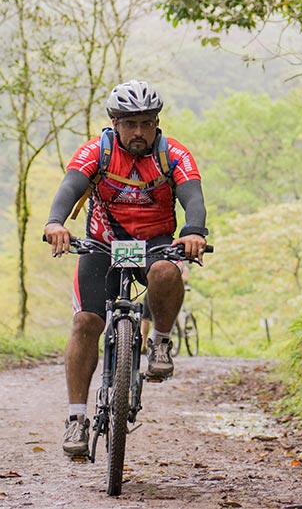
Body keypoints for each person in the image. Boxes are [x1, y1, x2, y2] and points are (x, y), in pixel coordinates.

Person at [43, 80, 209, 460]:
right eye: (130, 123)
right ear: (115, 123)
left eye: (146, 123)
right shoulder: (96, 152)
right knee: (86, 322)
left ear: (156, 123)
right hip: (102, 244)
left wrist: (194, 232)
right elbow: (70, 187)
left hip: (154, 242)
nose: (138, 132)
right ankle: (76, 418)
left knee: (168, 272)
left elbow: (193, 198)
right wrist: (55, 223)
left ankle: (161, 342)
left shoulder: (174, 155)